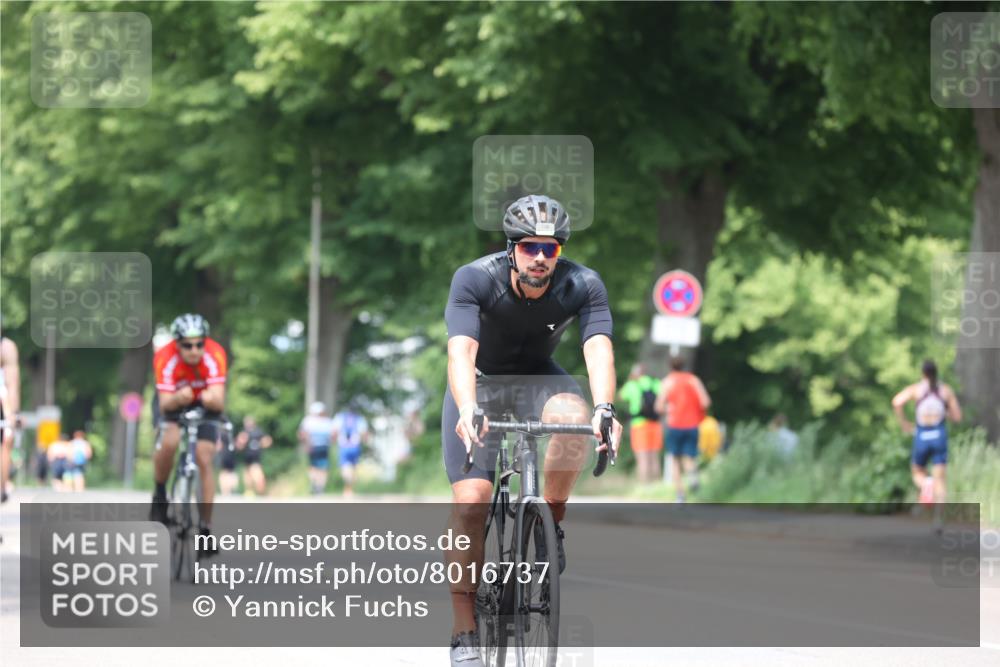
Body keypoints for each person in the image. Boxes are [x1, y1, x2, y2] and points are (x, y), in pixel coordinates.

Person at [442, 194, 622, 666]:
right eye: (529, 248)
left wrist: (605, 407)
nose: (540, 258)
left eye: (550, 249)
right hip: (480, 383)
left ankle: (550, 523)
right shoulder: (475, 278)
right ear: (511, 249)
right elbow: (460, 352)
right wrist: (466, 407)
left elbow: (598, 346)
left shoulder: (583, 283)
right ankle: (463, 631)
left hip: (539, 377)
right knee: (471, 502)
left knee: (574, 418)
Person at [149, 313, 228, 554]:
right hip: (172, 402)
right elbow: (164, 404)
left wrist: (209, 400)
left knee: (205, 457)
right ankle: (160, 494)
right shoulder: (165, 357)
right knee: (170, 441)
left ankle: (205, 529)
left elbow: (219, 402)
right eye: (187, 345)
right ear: (177, 344)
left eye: (199, 344)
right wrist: (177, 398)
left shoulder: (215, 355)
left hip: (203, 406)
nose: (194, 350)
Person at [892, 359, 962, 507]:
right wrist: (945, 414)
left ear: (923, 373)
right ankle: (939, 519)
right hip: (939, 435)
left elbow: (897, 402)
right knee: (941, 479)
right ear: (936, 373)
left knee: (917, 472)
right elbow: (957, 417)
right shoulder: (945, 390)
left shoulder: (916, 389)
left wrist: (904, 424)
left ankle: (926, 483)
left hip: (922, 435)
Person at [655, 356, 711, 503]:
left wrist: (669, 409)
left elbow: (659, 407)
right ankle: (693, 476)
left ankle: (680, 494)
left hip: (675, 425)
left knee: (674, 459)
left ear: (670, 366)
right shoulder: (693, 380)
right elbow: (706, 402)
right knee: (689, 456)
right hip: (692, 424)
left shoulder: (668, 382)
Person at [619, 363, 663, 483]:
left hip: (639, 424)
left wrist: (630, 379)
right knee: (654, 457)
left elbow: (621, 396)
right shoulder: (655, 383)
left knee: (642, 458)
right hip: (655, 424)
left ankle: (644, 487)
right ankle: (657, 487)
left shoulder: (632, 384)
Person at [331, 404, 369, 498]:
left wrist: (333, 441)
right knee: (353, 467)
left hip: (343, 447)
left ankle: (347, 488)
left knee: (345, 468)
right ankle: (350, 488)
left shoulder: (340, 417)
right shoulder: (360, 419)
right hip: (355, 447)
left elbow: (334, 431)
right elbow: (364, 434)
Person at [0, 330, 20, 503]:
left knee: (6, 441)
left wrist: (12, 416)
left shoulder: (6, 348)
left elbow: (8, 389)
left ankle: (2, 484)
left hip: (3, 407)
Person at [299, 401, 335, 495]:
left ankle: (316, 485)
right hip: (321, 446)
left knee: (316, 467)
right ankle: (319, 486)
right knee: (321, 467)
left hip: (315, 446)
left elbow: (302, 434)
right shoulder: (327, 421)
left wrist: (306, 444)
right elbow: (333, 435)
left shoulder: (308, 420)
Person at [236, 415, 272, 496]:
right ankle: (250, 491)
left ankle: (260, 492)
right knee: (248, 474)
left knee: (257, 474)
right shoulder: (245, 433)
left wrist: (261, 444)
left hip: (255, 457)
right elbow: (239, 445)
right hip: (248, 457)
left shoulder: (258, 432)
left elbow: (268, 441)